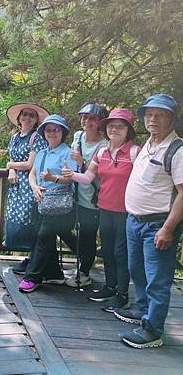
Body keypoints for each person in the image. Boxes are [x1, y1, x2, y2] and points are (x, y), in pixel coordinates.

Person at [117, 94, 182, 349]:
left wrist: (168, 228)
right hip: (134, 221)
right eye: (149, 114)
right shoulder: (149, 143)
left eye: (160, 115)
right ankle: (142, 308)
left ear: (171, 119)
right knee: (138, 271)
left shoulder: (178, 150)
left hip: (157, 225)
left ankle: (152, 330)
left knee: (158, 279)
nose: (153, 119)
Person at [64, 109, 139, 311]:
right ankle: (110, 287)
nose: (114, 129)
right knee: (108, 250)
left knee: (120, 252)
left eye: (120, 126)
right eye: (111, 125)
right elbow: (88, 178)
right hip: (104, 208)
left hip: (126, 212)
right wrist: (70, 174)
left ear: (128, 130)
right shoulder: (102, 152)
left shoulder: (136, 153)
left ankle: (122, 294)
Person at [18, 115, 78, 293]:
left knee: (43, 237)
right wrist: (35, 187)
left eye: (56, 129)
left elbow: (71, 178)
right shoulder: (42, 152)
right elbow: (32, 173)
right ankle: (54, 273)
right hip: (42, 202)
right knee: (44, 236)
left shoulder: (67, 153)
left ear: (63, 132)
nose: (52, 133)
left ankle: (32, 277)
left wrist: (53, 179)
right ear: (44, 132)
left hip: (60, 205)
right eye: (48, 129)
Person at [65, 102, 108, 287]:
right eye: (84, 117)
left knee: (88, 235)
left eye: (92, 118)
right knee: (61, 225)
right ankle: (84, 257)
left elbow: (94, 174)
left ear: (100, 122)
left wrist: (81, 162)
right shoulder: (78, 136)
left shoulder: (104, 144)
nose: (87, 121)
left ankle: (83, 273)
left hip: (93, 197)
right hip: (74, 194)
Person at [4, 102, 49, 274]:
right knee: (16, 219)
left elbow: (31, 164)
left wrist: (10, 165)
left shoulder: (37, 137)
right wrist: (11, 170)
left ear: (36, 120)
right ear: (19, 117)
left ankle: (34, 261)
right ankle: (30, 259)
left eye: (32, 115)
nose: (28, 118)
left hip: (30, 184)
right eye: (25, 114)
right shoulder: (15, 137)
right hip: (16, 186)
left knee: (31, 219)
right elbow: (14, 159)